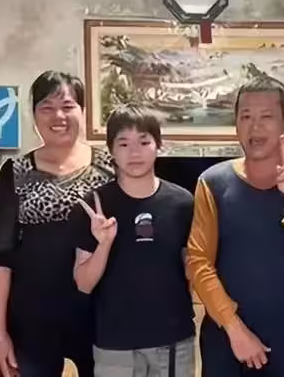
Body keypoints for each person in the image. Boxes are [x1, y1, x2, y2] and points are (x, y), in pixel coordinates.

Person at [185, 75, 284, 377]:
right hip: (226, 337)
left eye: (266, 117)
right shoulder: (213, 182)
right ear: (235, 124)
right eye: (246, 117)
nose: (255, 127)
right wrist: (234, 328)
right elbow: (199, 262)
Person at [0, 71, 114, 377]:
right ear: (34, 115)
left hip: (99, 316)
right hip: (30, 316)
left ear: (83, 112)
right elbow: (0, 257)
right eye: (47, 107)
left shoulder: (109, 168)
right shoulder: (16, 171)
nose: (58, 116)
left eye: (68, 106)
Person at [72, 105, 196, 377]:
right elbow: (83, 283)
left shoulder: (183, 203)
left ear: (158, 146)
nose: (135, 152)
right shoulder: (96, 206)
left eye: (144, 142)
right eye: (124, 144)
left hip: (173, 340)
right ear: (111, 150)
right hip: (114, 344)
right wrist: (104, 243)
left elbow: (193, 272)